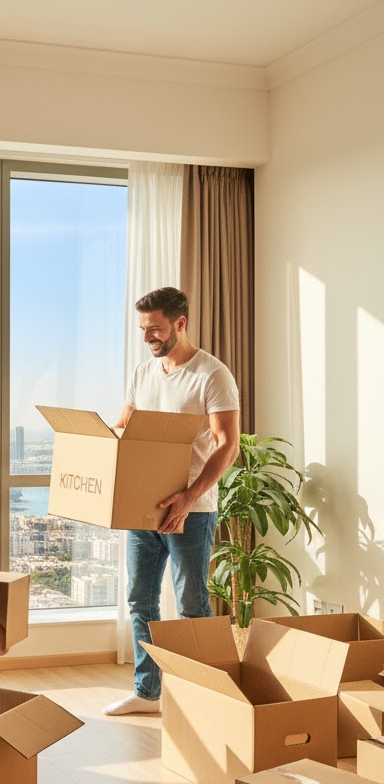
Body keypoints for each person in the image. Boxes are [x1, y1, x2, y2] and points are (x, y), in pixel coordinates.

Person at [103, 287, 240, 716]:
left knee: (192, 606)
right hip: (143, 508)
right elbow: (124, 429)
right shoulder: (142, 374)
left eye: (156, 329)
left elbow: (228, 445)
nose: (147, 337)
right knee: (140, 601)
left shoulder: (211, 375)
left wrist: (188, 496)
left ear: (180, 323)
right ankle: (148, 693)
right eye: (143, 329)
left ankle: (202, 698)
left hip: (191, 512)